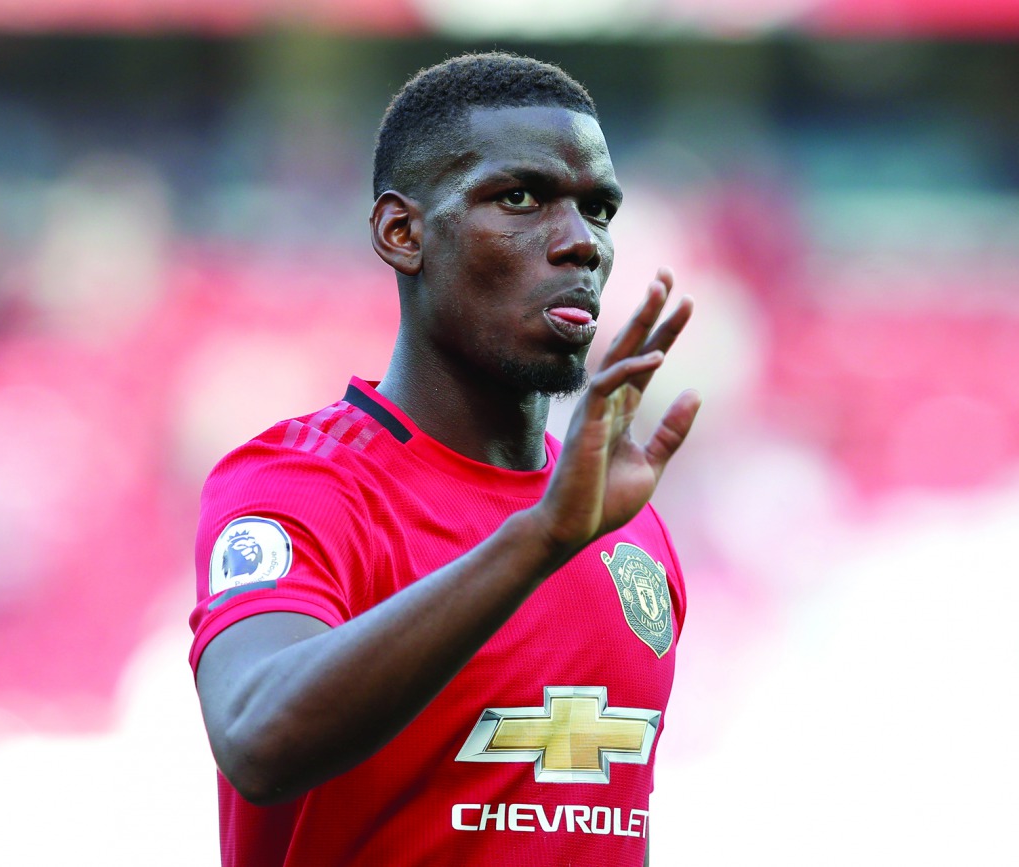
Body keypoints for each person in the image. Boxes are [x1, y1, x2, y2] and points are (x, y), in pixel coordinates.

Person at [189, 51, 701, 866]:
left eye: (598, 210)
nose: (580, 244)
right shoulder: (304, 485)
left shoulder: (630, 531)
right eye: (522, 198)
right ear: (404, 233)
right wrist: (538, 540)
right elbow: (257, 739)